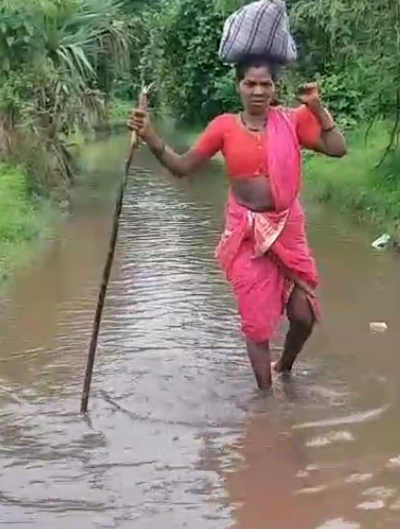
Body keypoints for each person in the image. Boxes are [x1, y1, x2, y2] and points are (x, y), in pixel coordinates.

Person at [127, 56, 347, 389]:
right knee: (257, 324)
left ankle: (284, 367)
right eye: (250, 84)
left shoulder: (291, 121)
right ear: (238, 87)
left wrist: (317, 108)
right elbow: (182, 167)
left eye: (265, 84)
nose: (258, 91)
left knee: (303, 315)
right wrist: (152, 137)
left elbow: (337, 149)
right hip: (246, 236)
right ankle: (266, 399)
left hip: (286, 228)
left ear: (275, 89)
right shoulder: (224, 127)